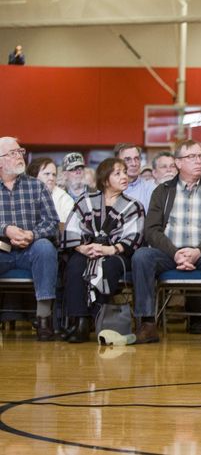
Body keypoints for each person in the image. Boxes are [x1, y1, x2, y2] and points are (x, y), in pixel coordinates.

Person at [131, 140, 201, 346]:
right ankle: (147, 324)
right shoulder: (162, 191)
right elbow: (151, 230)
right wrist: (175, 253)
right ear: (178, 163)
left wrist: (198, 251)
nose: (198, 161)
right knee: (142, 256)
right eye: (192, 157)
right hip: (169, 254)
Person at [60, 157, 145, 343]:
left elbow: (134, 237)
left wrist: (109, 249)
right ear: (105, 180)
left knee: (108, 266)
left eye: (124, 172)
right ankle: (80, 321)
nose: (124, 176)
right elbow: (71, 229)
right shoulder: (86, 200)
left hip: (117, 253)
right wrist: (82, 248)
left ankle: (98, 318)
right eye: (118, 173)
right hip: (87, 249)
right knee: (75, 265)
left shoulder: (134, 206)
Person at [0, 137, 59, 340]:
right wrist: (5, 230)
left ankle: (43, 318)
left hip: (31, 250)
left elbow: (51, 222)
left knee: (45, 247)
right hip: (2, 251)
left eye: (20, 152)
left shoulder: (37, 186)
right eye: (13, 153)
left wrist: (32, 234)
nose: (19, 156)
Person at [26, 157, 74, 229]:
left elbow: (73, 225)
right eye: (47, 174)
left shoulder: (64, 198)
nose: (51, 178)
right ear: (34, 175)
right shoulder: (22, 195)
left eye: (54, 175)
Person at [115, 143, 155, 209]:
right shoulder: (107, 190)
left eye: (137, 158)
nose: (134, 164)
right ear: (117, 162)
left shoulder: (151, 189)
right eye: (127, 159)